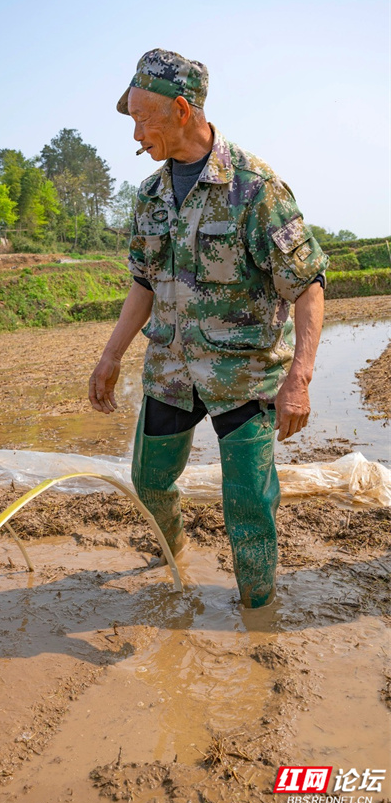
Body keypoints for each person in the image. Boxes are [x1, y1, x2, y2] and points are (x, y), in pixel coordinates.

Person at [88, 49, 329, 609]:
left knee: (249, 503)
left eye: (142, 119)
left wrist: (300, 377)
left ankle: (258, 612)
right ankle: (174, 553)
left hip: (242, 374)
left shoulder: (255, 188)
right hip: (171, 371)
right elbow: (143, 284)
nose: (135, 135)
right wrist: (110, 355)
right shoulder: (150, 196)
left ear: (181, 109)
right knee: (149, 481)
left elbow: (308, 283)